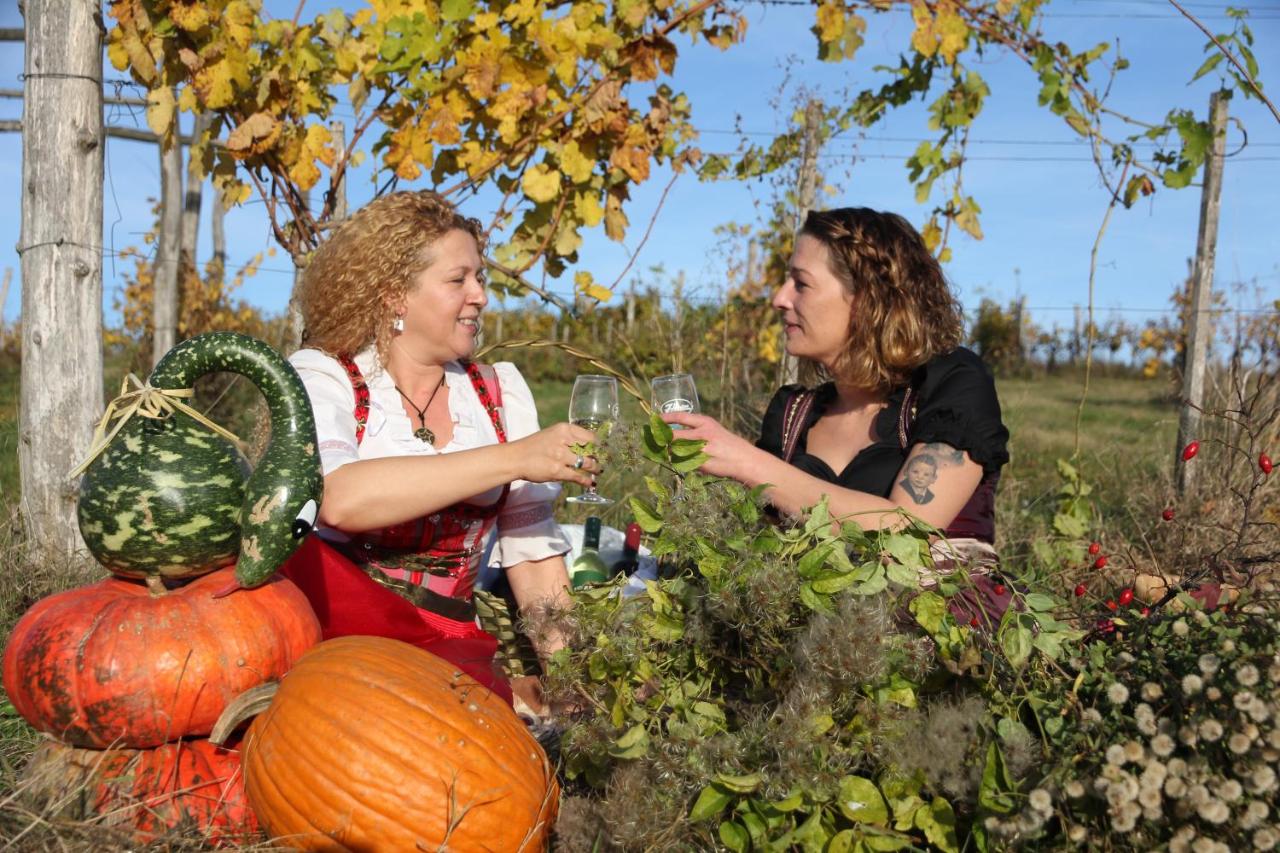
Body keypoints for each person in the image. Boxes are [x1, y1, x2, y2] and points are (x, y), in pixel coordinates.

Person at [278, 190, 597, 704]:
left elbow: (533, 558)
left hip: (453, 653)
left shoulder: (496, 394)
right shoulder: (326, 376)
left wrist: (577, 676)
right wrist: (516, 457)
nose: (481, 296)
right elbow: (339, 497)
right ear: (394, 295)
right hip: (335, 651)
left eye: (480, 278)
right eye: (458, 280)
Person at [663, 208, 1010, 624]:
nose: (779, 298)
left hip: (940, 641)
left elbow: (910, 533)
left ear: (867, 299)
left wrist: (747, 464)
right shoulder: (794, 415)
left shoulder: (950, 385)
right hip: (817, 649)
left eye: (801, 283)